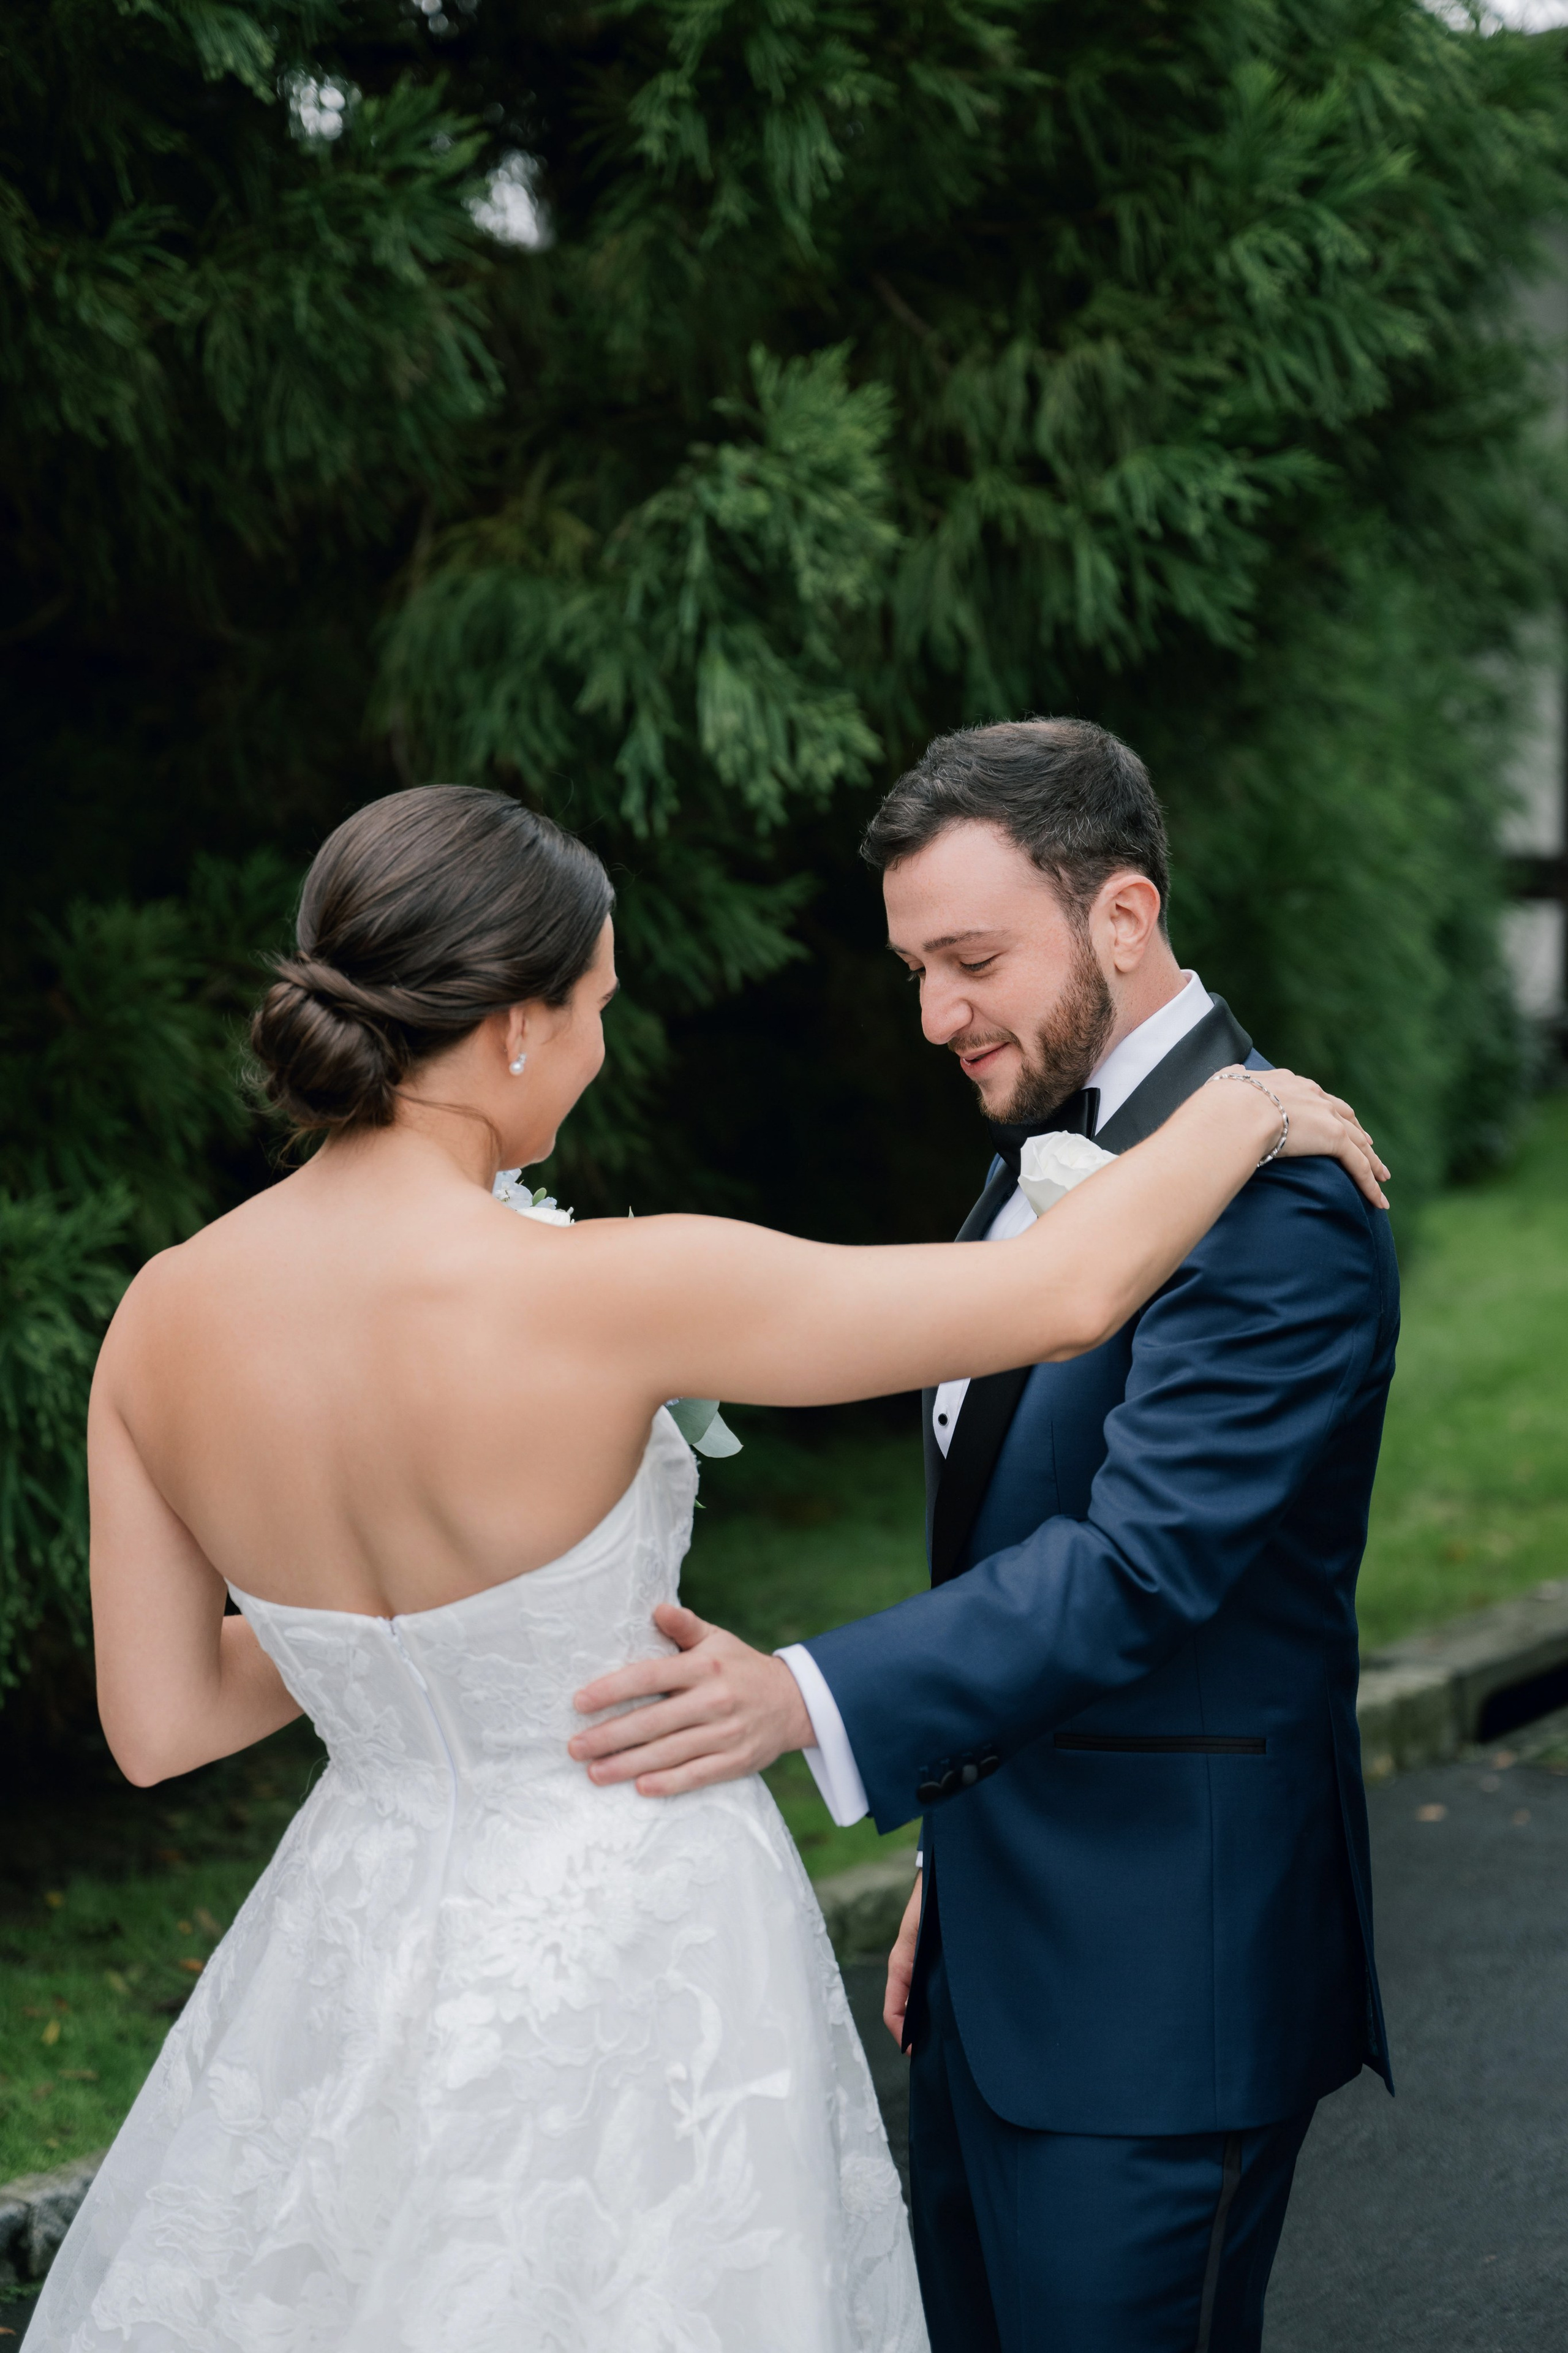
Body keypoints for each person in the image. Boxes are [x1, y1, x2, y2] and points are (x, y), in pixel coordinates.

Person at [30, 781, 1384, 2353]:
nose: (601, 1048)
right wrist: (1247, 1110)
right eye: (598, 1006)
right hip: (629, 1925)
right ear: (520, 1026)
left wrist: (394, 1644)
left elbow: (162, 1722)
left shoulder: (159, 1314)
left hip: (351, 1947)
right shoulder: (614, 1288)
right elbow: (1065, 1295)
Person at [575, 721, 1401, 2353]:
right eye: (916, 972)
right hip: (999, 1961)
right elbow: (1002, 1537)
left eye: (969, 959)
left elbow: (1136, 1569)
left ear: (1122, 914)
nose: (939, 1014)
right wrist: (962, 1854)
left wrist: (805, 1696)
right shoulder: (1039, 1163)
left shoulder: (1286, 1203)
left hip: (1165, 1997)